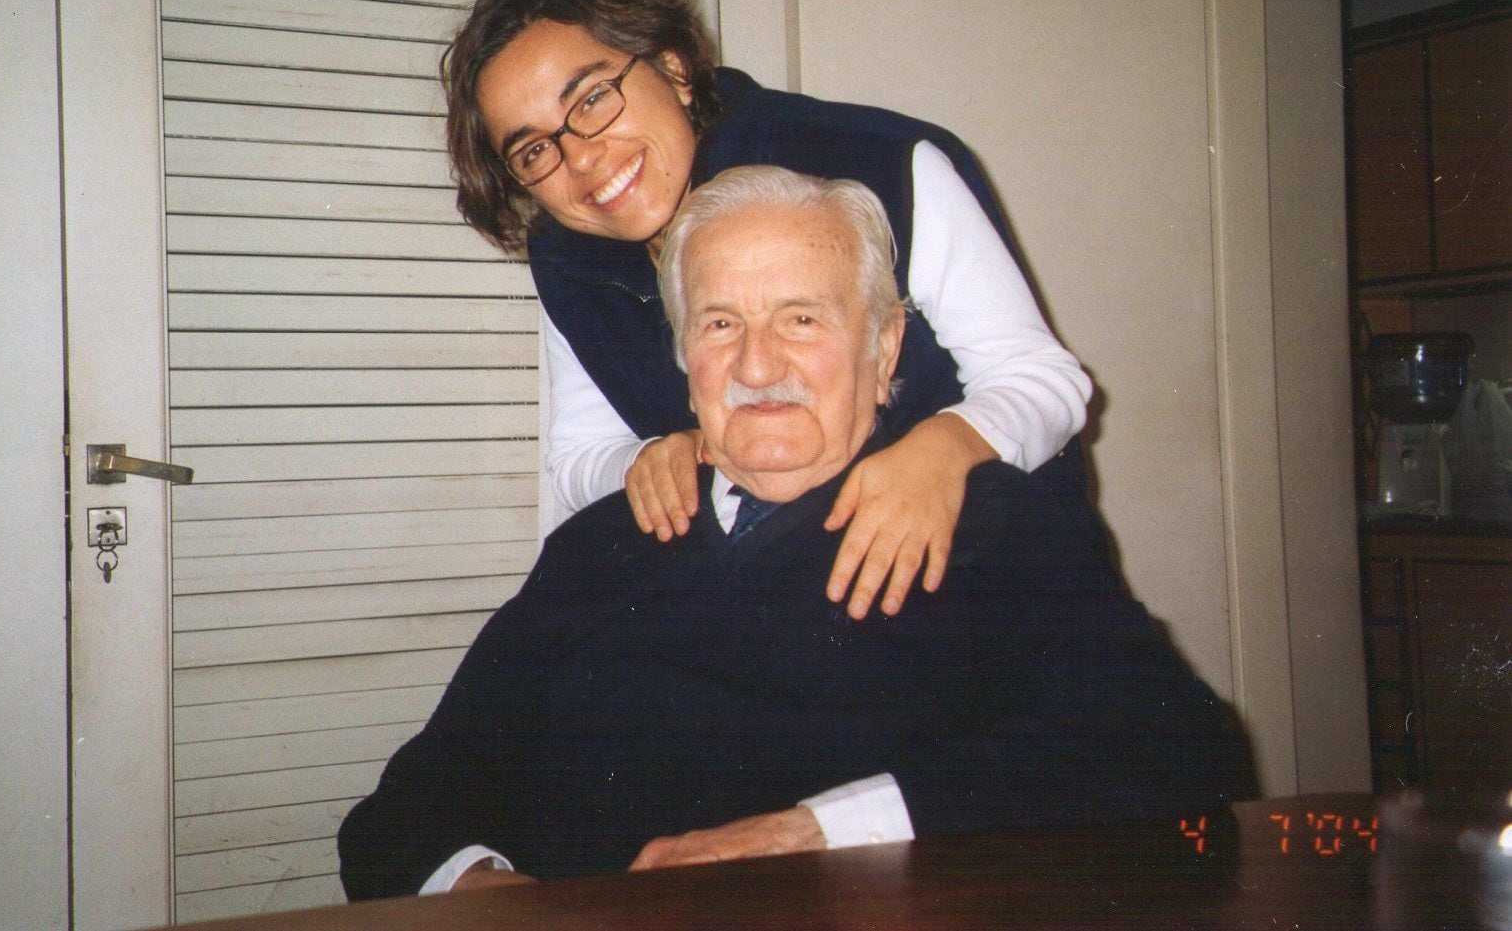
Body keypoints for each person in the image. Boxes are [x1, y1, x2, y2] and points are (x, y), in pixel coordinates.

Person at [336, 167, 1250, 900]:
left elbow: (1181, 752)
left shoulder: (991, 525)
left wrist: (814, 833)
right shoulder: (604, 543)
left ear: (885, 350)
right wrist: (486, 888)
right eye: (721, 323)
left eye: (802, 319)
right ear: (684, 359)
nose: (757, 363)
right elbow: (399, 813)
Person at [444, 0, 1091, 619]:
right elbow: (580, 456)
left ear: (672, 68)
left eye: (593, 98)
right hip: (782, 589)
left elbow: (1047, 383)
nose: (579, 157)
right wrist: (646, 461)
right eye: (533, 150)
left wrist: (942, 451)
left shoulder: (883, 163)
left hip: (980, 568)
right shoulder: (565, 258)